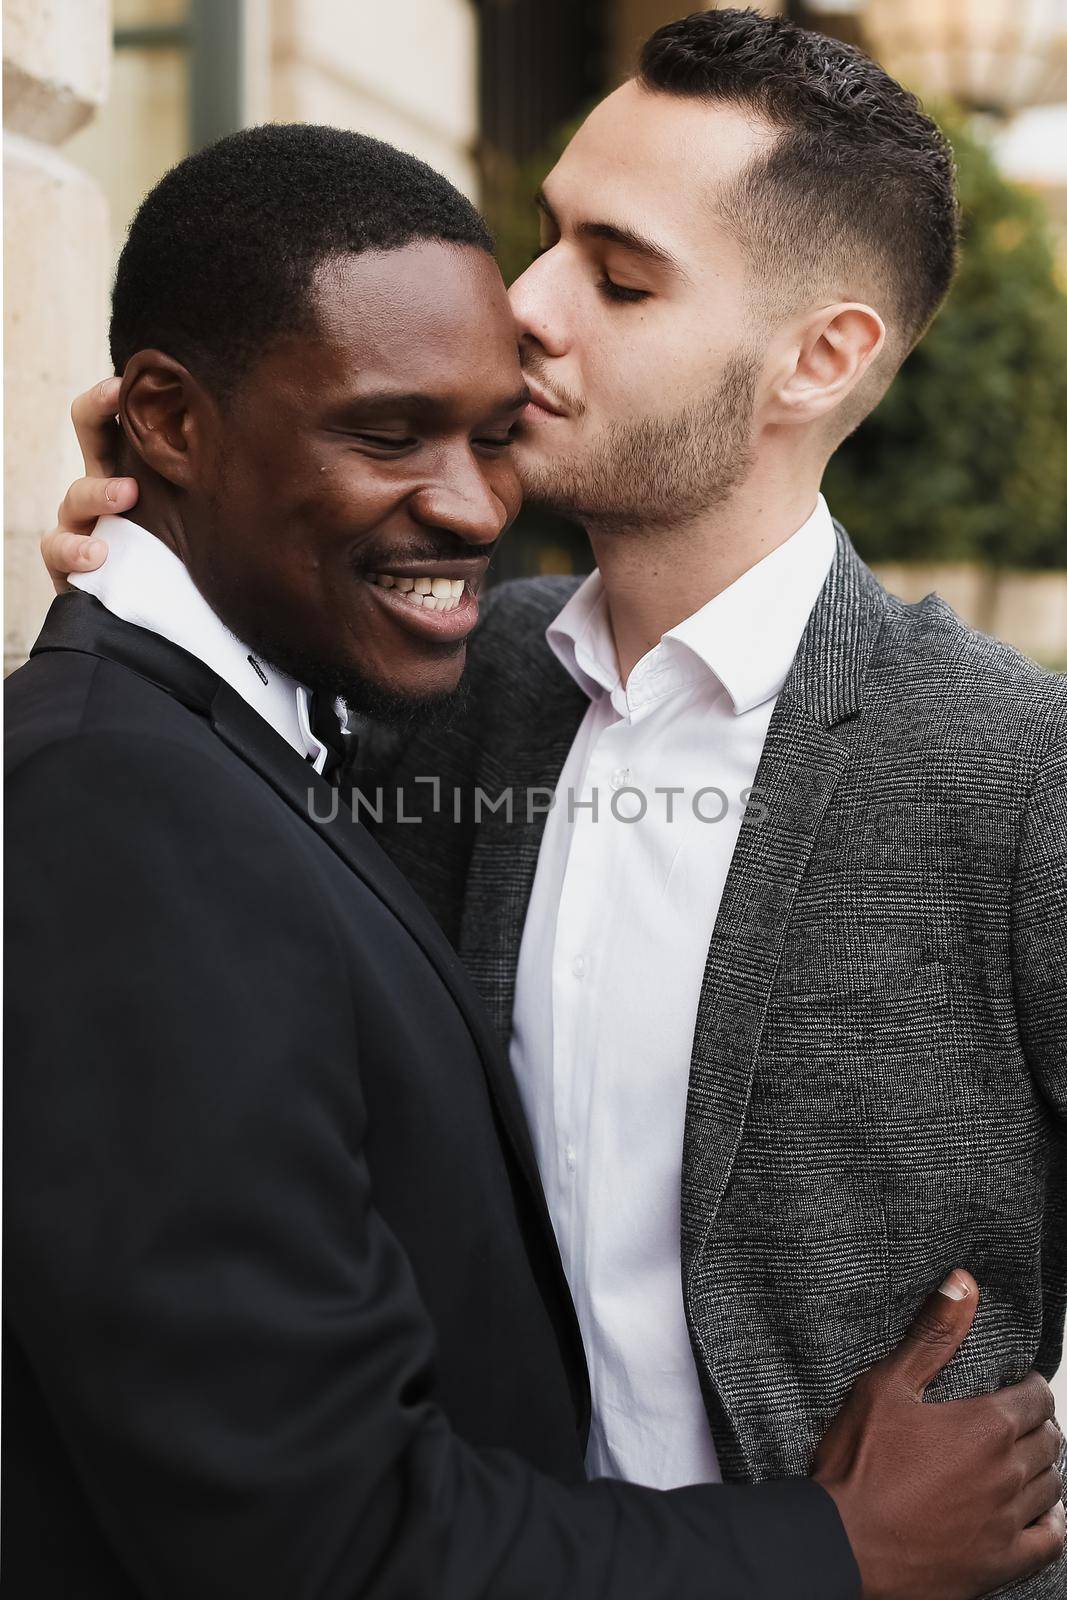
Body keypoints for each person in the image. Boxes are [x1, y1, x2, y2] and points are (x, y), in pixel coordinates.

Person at [30, 73, 1064, 1600]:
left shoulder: (1015, 765)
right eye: (545, 239)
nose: (524, 306)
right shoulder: (442, 687)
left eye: (619, 273)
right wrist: (178, 538)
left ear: (821, 357)